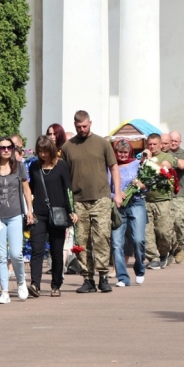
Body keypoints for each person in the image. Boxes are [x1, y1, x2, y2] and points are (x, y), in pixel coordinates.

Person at [61, 110, 121, 293]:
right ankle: (88, 278)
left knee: (102, 237)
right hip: (78, 201)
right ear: (74, 125)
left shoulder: (102, 143)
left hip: (101, 198)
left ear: (90, 123)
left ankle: (103, 276)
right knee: (82, 241)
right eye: (78, 127)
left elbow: (114, 167)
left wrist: (117, 192)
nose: (82, 129)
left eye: (85, 126)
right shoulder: (67, 147)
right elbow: (63, 175)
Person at [0, 136, 34, 303]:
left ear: (13, 149)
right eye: (2, 147)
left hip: (15, 215)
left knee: (16, 253)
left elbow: (26, 190)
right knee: (1, 254)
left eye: (9, 147)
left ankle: (21, 282)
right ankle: (4, 292)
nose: (6, 150)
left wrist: (29, 210)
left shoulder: (19, 167)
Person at [28, 136, 74, 297]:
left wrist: (71, 210)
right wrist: (29, 209)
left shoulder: (61, 165)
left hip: (59, 212)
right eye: (40, 151)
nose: (43, 155)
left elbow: (67, 189)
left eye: (45, 151)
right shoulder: (34, 166)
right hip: (39, 213)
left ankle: (56, 285)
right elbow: (31, 189)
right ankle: (35, 284)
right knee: (37, 249)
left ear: (51, 150)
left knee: (56, 251)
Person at [108, 139, 147, 286]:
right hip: (118, 206)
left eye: (125, 152)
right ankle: (122, 277)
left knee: (138, 239)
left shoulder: (137, 165)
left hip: (136, 202)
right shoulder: (111, 167)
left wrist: (140, 185)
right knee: (117, 243)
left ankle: (140, 267)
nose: (123, 155)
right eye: (120, 152)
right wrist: (115, 195)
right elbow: (106, 187)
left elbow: (146, 185)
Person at [143, 133, 178, 270]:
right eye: (149, 144)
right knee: (147, 232)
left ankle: (165, 251)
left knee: (163, 231)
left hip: (162, 200)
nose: (152, 147)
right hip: (146, 200)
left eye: (154, 144)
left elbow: (163, 169)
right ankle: (153, 257)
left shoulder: (166, 156)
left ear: (160, 144)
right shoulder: (144, 157)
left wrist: (150, 160)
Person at [167, 131, 184, 264]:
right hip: (166, 195)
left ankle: (180, 246)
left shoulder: (183, 153)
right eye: (171, 141)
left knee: (179, 223)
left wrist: (168, 160)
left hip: (178, 194)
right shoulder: (164, 152)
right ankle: (170, 250)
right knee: (167, 226)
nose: (173, 143)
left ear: (180, 142)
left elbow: (182, 164)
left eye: (176, 141)